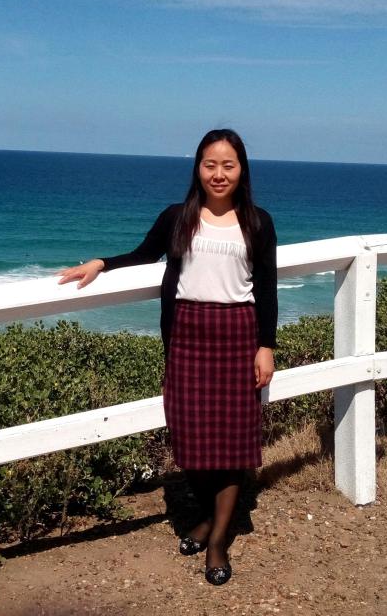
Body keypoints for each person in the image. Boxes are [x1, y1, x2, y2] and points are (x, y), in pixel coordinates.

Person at [58, 129, 278, 586]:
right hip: (187, 334)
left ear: (242, 170)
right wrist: (101, 263)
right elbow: (145, 254)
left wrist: (266, 346)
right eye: (210, 164)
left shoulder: (258, 222)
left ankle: (217, 541)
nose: (218, 174)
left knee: (233, 442)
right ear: (198, 168)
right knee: (189, 436)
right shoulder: (178, 217)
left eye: (228, 165)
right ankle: (209, 518)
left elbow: (267, 288)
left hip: (238, 333)